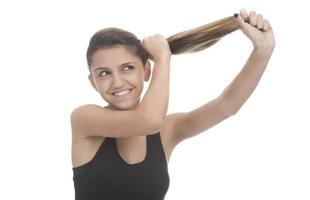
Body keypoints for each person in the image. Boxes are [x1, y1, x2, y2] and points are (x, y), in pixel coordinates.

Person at [70, 8, 275, 200]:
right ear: (93, 82)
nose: (117, 82)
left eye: (127, 68)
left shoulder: (166, 131)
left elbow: (226, 106)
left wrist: (263, 51)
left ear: (146, 71)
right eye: (104, 73)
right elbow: (149, 120)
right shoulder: (85, 119)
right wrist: (162, 58)